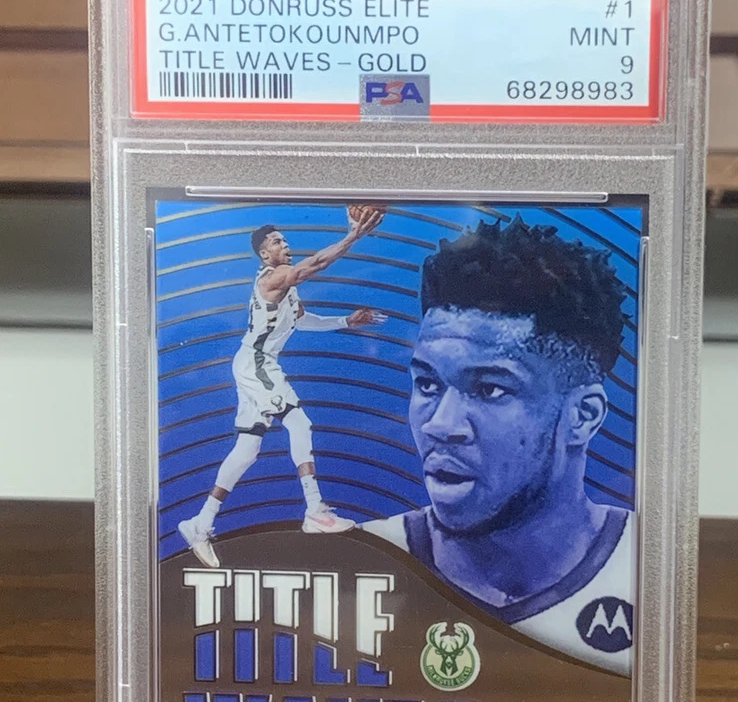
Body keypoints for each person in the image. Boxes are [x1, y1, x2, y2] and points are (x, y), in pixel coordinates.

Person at [362, 217, 635, 675]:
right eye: (427, 384)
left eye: (489, 389)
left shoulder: (649, 567)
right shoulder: (359, 562)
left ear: (582, 416)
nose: (441, 425)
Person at [179, 207, 385, 567]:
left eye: (285, 240)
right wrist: (353, 235)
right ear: (264, 254)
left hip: (252, 363)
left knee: (247, 450)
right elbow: (316, 264)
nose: (285, 244)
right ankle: (315, 510)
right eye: (277, 241)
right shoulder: (273, 279)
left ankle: (200, 523)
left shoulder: (287, 287)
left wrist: (346, 322)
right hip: (258, 362)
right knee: (299, 423)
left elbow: (302, 321)